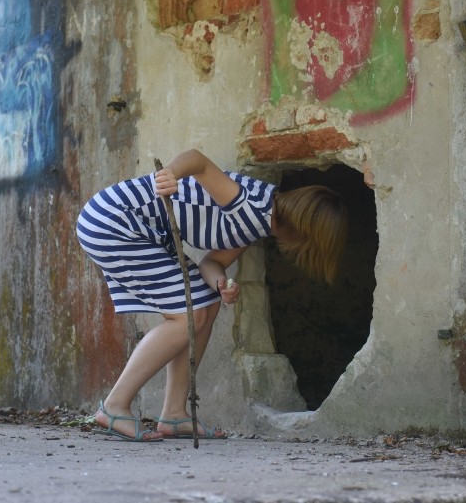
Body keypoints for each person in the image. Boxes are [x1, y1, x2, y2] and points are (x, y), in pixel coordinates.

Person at [76, 149, 348, 441]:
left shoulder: (259, 222)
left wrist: (220, 283)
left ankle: (174, 414)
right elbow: (197, 160)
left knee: (207, 302)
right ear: (307, 231)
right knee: (187, 316)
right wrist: (170, 173)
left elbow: (212, 263)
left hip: (132, 228)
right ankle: (115, 405)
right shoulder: (251, 206)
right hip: (115, 223)